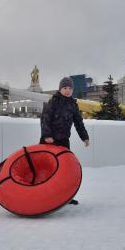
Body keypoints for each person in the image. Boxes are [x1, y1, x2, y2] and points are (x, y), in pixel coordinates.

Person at [39, 77, 90, 205]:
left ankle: (66, 196)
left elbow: (79, 122)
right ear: (60, 89)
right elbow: (45, 119)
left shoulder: (73, 104)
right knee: (46, 168)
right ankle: (41, 194)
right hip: (49, 140)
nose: (68, 91)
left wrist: (84, 137)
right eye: (65, 88)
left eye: (70, 88)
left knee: (64, 169)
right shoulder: (53, 101)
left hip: (63, 141)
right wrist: (47, 136)